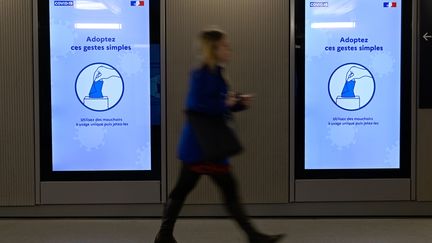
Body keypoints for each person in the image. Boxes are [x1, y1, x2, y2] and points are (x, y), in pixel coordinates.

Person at [154, 29, 285, 243]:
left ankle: (165, 235)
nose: (229, 49)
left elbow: (216, 105)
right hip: (201, 146)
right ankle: (253, 236)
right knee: (189, 190)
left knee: (202, 190)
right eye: (225, 45)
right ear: (213, 49)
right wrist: (226, 103)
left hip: (207, 146)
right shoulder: (201, 74)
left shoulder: (216, 74)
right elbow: (196, 106)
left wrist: (238, 103)